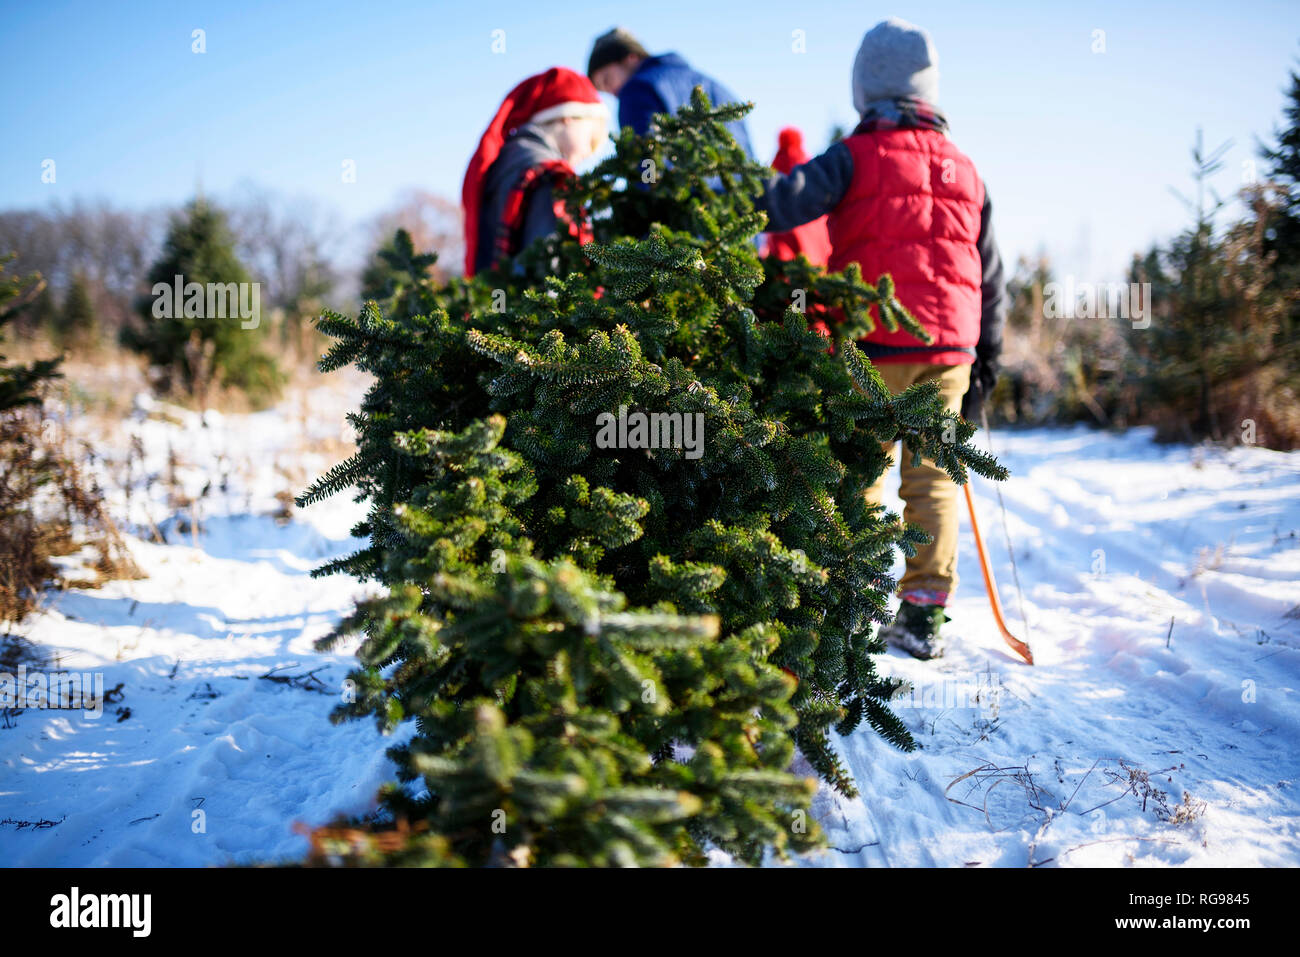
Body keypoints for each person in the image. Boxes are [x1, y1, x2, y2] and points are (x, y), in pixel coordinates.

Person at [754, 17, 1007, 660]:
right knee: (933, 479)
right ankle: (923, 616)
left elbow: (785, 204)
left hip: (872, 340)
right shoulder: (966, 168)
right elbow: (992, 273)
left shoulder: (855, 154)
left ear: (864, 91)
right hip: (949, 349)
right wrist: (987, 365)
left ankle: (857, 598)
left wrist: (728, 183)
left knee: (861, 470)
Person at [461, 67, 608, 277]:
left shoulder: (506, 159)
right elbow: (548, 275)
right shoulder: (548, 173)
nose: (589, 152)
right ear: (567, 117)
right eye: (591, 138)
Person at [586, 27, 755, 160]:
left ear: (631, 57)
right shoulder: (718, 88)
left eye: (607, 80)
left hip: (679, 200)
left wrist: (648, 185)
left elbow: (647, 154)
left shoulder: (636, 89)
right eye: (603, 90)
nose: (610, 92)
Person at [761, 127, 831, 266]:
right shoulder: (810, 176)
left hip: (790, 276)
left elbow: (780, 245)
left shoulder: (778, 183)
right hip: (819, 270)